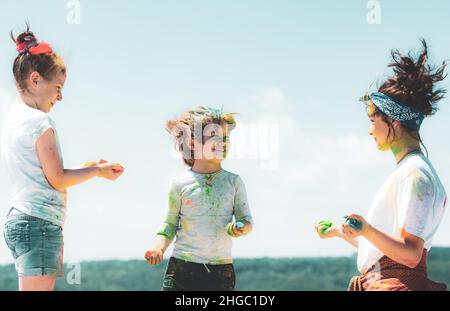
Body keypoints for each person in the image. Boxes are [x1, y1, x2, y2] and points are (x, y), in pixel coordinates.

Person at [315, 40, 447, 291]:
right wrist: (340, 231)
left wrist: (366, 227)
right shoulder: (412, 171)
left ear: (393, 122)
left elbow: (410, 255)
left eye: (372, 120)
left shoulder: (414, 174)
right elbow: (385, 252)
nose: (369, 131)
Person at [1, 25, 124, 291]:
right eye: (57, 87)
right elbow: (57, 179)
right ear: (35, 80)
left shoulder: (13, 118)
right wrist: (97, 172)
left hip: (19, 218)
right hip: (39, 223)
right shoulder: (40, 122)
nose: (60, 96)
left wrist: (85, 168)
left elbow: (42, 174)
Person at [145, 106, 253, 291]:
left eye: (226, 137)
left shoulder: (233, 182)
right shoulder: (180, 184)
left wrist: (241, 228)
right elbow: (169, 224)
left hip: (221, 270)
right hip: (182, 268)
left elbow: (246, 221)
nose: (223, 142)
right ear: (193, 143)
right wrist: (158, 249)